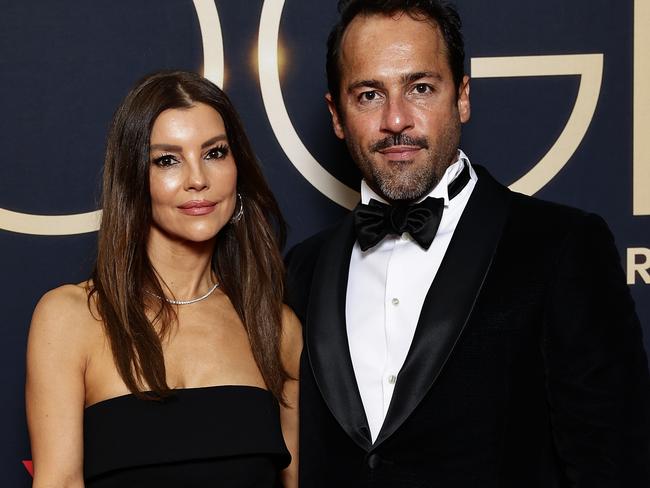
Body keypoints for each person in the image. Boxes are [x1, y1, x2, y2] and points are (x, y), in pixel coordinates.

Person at [285, 1, 650, 486]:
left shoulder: (561, 246)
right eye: (370, 95)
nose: (396, 120)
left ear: (461, 97)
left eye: (420, 88)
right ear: (337, 115)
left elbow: (612, 462)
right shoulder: (303, 270)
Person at [26, 71, 301, 488]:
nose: (198, 179)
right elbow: (59, 481)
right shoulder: (70, 320)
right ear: (134, 179)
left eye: (215, 152)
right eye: (167, 159)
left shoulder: (276, 329)